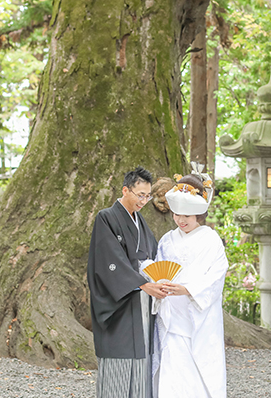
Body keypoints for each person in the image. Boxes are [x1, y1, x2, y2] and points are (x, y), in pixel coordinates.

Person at [87, 166, 167, 398]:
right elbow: (109, 260)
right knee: (118, 364)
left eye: (147, 196)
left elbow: (152, 256)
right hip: (120, 302)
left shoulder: (140, 222)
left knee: (142, 359)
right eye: (140, 195)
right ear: (125, 190)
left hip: (142, 301)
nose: (144, 200)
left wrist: (156, 279)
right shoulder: (107, 217)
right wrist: (142, 283)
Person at [150, 171, 229, 398]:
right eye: (177, 214)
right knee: (173, 373)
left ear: (199, 215)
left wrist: (188, 289)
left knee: (199, 375)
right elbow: (159, 268)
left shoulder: (210, 239)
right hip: (172, 316)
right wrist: (160, 286)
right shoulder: (167, 240)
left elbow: (216, 274)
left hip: (198, 315)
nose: (181, 220)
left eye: (187, 215)